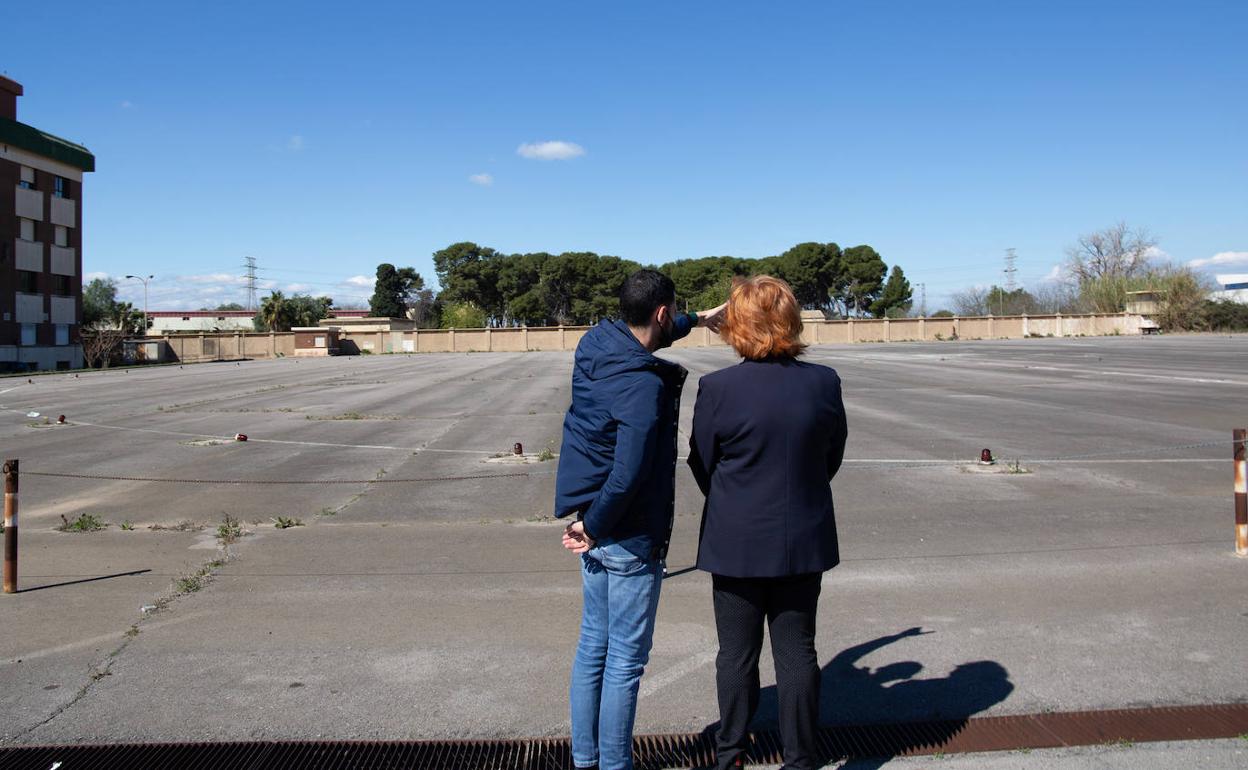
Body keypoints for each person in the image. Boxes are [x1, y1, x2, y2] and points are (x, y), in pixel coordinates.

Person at [556, 268, 724, 770]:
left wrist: (701, 317)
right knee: (625, 662)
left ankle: (586, 761)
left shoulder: (596, 344)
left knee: (593, 650)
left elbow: (657, 330)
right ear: (659, 311)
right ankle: (614, 764)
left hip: (594, 523)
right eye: (671, 313)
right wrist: (596, 527)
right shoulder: (642, 387)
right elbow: (628, 477)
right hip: (624, 534)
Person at [688, 275, 848, 770]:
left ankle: (731, 753)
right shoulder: (823, 382)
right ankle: (801, 759)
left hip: (735, 542)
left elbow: (701, 462)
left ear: (737, 325)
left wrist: (738, 499)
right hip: (802, 538)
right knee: (797, 651)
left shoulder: (717, 388)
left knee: (735, 654)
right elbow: (831, 456)